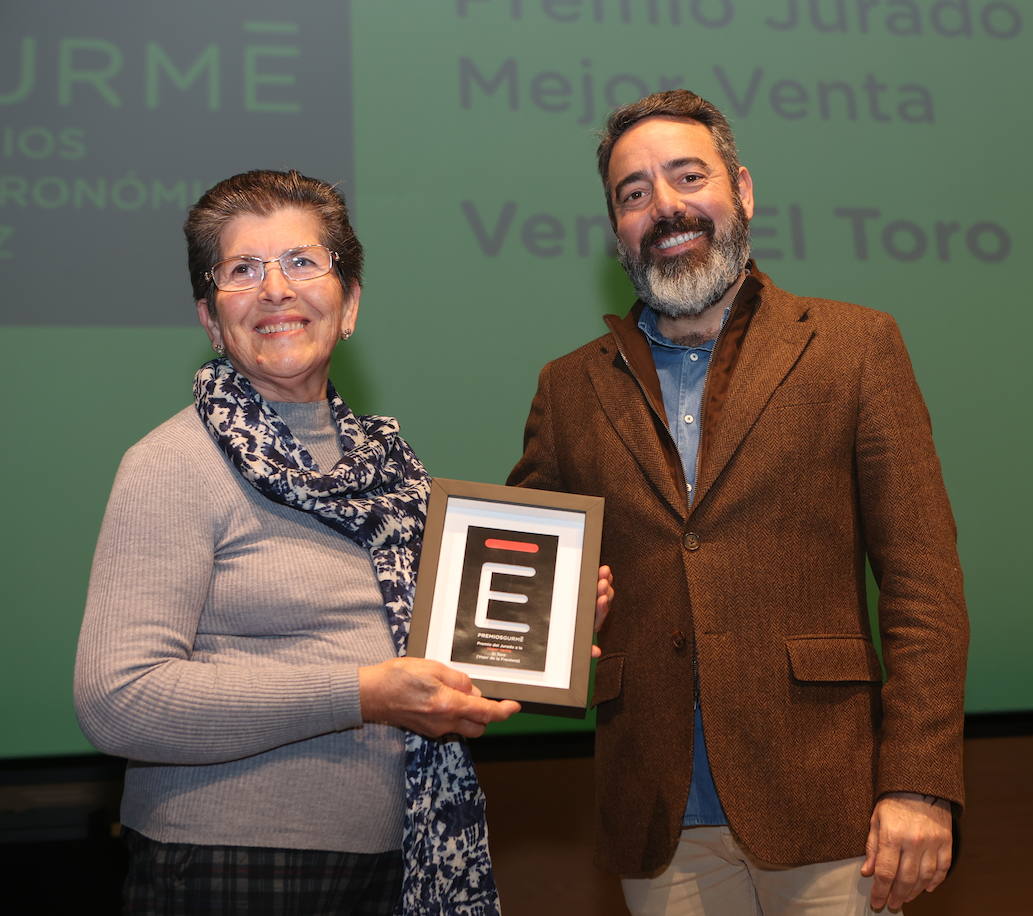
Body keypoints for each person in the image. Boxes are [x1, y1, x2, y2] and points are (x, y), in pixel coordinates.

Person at [74, 169, 611, 915]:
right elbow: (118, 700)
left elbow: (436, 660)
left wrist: (547, 626)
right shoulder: (171, 464)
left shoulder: (392, 471)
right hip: (228, 868)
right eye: (242, 270)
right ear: (208, 315)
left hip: (398, 859)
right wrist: (364, 693)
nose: (276, 290)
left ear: (350, 302)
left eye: (302, 262)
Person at [507, 90, 969, 915]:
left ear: (743, 190)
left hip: (833, 808)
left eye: (688, 176)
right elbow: (521, 587)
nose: (665, 207)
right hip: (658, 821)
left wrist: (920, 784)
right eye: (634, 192)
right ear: (616, 228)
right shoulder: (568, 389)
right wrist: (557, 623)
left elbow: (923, 587)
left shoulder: (856, 347)